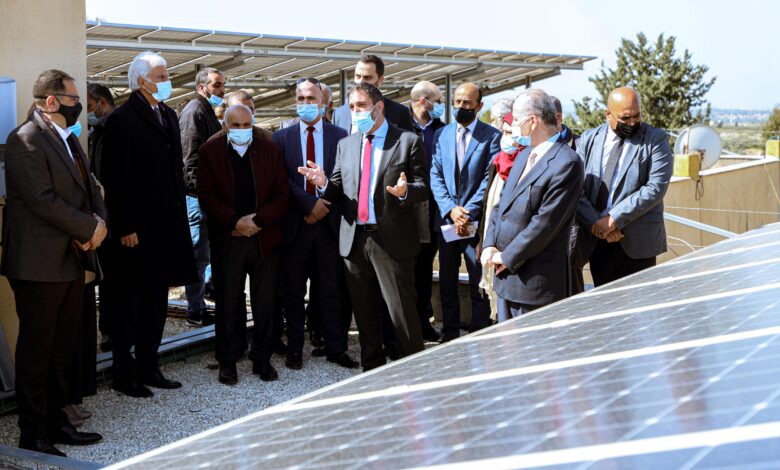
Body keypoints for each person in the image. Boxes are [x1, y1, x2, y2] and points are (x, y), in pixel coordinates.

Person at [1, 69, 106, 456]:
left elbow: (91, 188)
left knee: (63, 347)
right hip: (38, 264)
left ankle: (58, 420)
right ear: (51, 101)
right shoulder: (25, 140)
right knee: (38, 350)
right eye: (73, 100)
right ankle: (33, 432)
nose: (79, 106)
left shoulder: (68, 138)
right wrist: (88, 228)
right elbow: (41, 200)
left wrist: (99, 224)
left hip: (71, 259)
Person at [298, 83, 427, 371]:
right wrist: (322, 183)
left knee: (401, 312)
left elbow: (422, 187)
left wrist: (406, 191)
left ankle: (416, 369)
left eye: (361, 106)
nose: (355, 112)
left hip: (391, 240)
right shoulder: (347, 144)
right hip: (355, 240)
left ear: (378, 107)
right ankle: (371, 368)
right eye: (352, 107)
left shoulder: (406, 141)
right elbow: (337, 190)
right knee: (365, 312)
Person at [101, 51, 198, 398]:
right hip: (136, 231)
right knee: (129, 306)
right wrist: (125, 226)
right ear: (142, 81)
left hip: (165, 228)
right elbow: (116, 179)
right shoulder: (122, 120)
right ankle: (124, 375)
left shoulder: (167, 114)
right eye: (161, 76)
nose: (167, 81)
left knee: (156, 303)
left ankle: (149, 366)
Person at [197, 104, 289, 385]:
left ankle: (262, 358)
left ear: (253, 124)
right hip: (229, 240)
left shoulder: (270, 151)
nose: (241, 130)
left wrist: (257, 220)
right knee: (227, 303)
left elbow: (281, 194)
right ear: (226, 127)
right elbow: (206, 195)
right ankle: (228, 361)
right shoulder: (210, 152)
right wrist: (235, 222)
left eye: (246, 125)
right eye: (235, 125)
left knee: (265, 302)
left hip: (264, 239)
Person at [272, 78, 357, 370]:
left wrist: (323, 203)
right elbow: (281, 179)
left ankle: (335, 348)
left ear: (323, 102)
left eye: (311, 98)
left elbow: (345, 178)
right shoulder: (281, 137)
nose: (306, 103)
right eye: (301, 98)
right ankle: (295, 349)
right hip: (296, 226)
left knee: (330, 290)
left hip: (328, 226)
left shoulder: (341, 136)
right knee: (294, 292)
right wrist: (309, 205)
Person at [482, 88, 584, 320]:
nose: (513, 126)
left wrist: (506, 257)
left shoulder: (566, 162)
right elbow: (501, 205)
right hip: (505, 277)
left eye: (517, 120)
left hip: (535, 284)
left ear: (532, 121)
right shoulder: (523, 155)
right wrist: (489, 245)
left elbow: (544, 224)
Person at [575, 87, 673, 287]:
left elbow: (655, 187)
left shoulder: (655, 139)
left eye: (637, 116)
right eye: (625, 118)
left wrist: (613, 219)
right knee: (606, 301)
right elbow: (576, 187)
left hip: (638, 243)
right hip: (597, 241)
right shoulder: (588, 139)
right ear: (607, 114)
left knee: (640, 303)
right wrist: (596, 224)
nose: (632, 123)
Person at [430, 83, 500, 341]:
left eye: (467, 102)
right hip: (447, 222)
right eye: (458, 101)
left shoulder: (492, 136)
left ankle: (478, 331)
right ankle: (450, 332)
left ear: (479, 106)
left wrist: (467, 211)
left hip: (475, 223)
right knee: (447, 281)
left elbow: (489, 179)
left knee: (478, 280)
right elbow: (436, 175)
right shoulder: (442, 134)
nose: (461, 106)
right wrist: (451, 209)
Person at [180, 67, 226, 326]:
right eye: (217, 85)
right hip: (198, 197)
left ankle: (201, 303)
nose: (222, 90)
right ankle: (194, 310)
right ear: (201, 87)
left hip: (206, 196)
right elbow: (190, 160)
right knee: (198, 254)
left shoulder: (205, 110)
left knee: (205, 253)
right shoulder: (195, 112)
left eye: (222, 85)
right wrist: (203, 196)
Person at [408, 80, 446, 341]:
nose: (441, 106)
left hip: (433, 209)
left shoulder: (442, 131)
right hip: (405, 208)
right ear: (424, 101)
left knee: (424, 268)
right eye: (439, 101)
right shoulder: (400, 127)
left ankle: (423, 322)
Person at [478, 112, 524, 315]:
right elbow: (490, 205)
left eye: (511, 133)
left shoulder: (527, 163)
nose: (506, 138)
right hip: (493, 244)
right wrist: (484, 241)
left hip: (514, 251)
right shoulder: (498, 161)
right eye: (504, 132)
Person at [85, 82, 115, 354]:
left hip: (113, 218)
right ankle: (108, 329)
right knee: (107, 279)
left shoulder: (113, 132)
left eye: (90, 105)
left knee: (112, 280)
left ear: (102, 103)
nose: (87, 112)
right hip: (103, 218)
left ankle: (111, 331)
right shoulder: (97, 133)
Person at [332, 55, 414, 133]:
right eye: (358, 76)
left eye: (367, 77)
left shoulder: (399, 113)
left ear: (380, 80)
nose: (361, 82)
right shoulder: (339, 114)